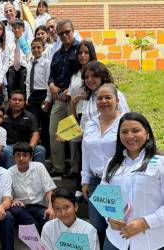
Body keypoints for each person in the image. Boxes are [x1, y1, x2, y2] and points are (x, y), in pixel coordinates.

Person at [101, 112, 164, 250]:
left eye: (136, 130)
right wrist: (109, 218)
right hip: (115, 240)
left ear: (147, 134)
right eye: (124, 132)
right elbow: (104, 197)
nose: (130, 136)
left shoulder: (161, 163)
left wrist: (145, 222)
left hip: (151, 241)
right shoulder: (111, 163)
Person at [81, 83, 124, 247]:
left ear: (117, 100)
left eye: (108, 97)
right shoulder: (90, 123)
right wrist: (85, 179)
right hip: (96, 182)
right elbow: (85, 151)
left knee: (116, 227)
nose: (104, 101)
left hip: (118, 182)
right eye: (100, 98)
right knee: (97, 226)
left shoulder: (124, 123)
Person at [47, 19, 79, 177]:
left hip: (74, 99)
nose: (64, 35)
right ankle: (58, 167)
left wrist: (71, 89)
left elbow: (85, 72)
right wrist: (51, 84)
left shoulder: (81, 49)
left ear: (73, 30)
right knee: (54, 132)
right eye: (61, 33)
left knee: (73, 134)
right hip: (58, 98)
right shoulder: (57, 53)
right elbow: (51, 74)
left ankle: (74, 169)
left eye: (67, 31)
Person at [67, 40, 97, 199]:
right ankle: (80, 184)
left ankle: (90, 186)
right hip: (77, 114)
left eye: (86, 52)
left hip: (93, 116)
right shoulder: (75, 73)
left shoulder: (96, 70)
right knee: (78, 151)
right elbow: (73, 95)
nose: (83, 55)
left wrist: (84, 97)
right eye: (80, 52)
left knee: (90, 151)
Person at [8, 142, 56, 232]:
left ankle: (36, 236)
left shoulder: (39, 167)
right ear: (14, 157)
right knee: (15, 210)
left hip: (39, 206)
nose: (21, 158)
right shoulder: (9, 172)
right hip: (22, 209)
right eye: (18, 155)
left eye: (25, 155)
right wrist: (13, 200)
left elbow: (49, 191)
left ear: (30, 157)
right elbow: (7, 196)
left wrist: (51, 207)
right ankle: (36, 231)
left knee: (48, 217)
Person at [1, 90, 46, 168]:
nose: (17, 102)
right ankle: (12, 178)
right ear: (9, 101)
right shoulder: (2, 115)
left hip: (26, 145)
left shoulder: (30, 116)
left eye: (20, 100)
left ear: (24, 102)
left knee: (40, 149)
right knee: (6, 150)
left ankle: (35, 177)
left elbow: (35, 134)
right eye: (14, 99)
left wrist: (30, 149)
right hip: (9, 146)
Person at [80, 61, 129, 129]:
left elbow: (126, 119)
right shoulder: (89, 98)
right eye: (86, 77)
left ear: (102, 76)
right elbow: (83, 127)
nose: (90, 80)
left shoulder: (115, 94)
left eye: (94, 76)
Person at [25, 37, 51, 157]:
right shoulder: (29, 63)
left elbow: (48, 81)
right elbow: (27, 82)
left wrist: (48, 98)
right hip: (32, 96)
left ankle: (46, 150)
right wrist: (28, 97)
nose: (36, 50)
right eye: (33, 48)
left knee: (45, 124)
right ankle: (34, 148)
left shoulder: (46, 63)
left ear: (43, 48)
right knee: (33, 123)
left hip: (43, 95)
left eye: (38, 47)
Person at [7, 18, 31, 95]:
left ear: (23, 29)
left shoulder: (28, 43)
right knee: (11, 91)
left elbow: (29, 57)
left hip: (23, 69)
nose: (17, 30)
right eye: (15, 28)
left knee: (23, 91)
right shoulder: (9, 44)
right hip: (11, 69)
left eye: (19, 28)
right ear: (12, 30)